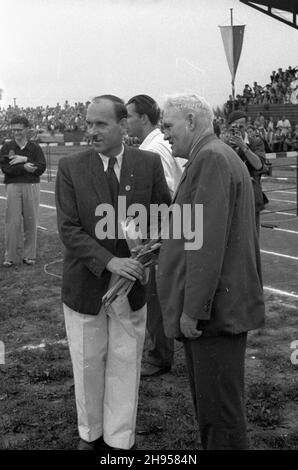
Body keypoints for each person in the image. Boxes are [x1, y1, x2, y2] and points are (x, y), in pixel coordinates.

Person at [55, 95, 171, 451]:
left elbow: (164, 219)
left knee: (125, 361)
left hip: (132, 286)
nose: (92, 131)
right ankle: (90, 434)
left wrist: (146, 256)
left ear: (123, 125)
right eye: (89, 123)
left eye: (101, 124)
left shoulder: (148, 163)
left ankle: (120, 440)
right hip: (86, 285)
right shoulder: (71, 166)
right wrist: (110, 262)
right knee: (88, 363)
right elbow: (69, 229)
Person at [156, 93, 265, 450]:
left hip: (214, 313)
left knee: (219, 416)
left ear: (191, 121)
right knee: (215, 409)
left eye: (168, 125)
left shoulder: (212, 159)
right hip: (218, 308)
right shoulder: (212, 155)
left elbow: (207, 243)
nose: (163, 132)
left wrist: (193, 310)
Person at [126, 94, 184, 377]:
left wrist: (154, 238)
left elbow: (168, 193)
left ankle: (160, 354)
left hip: (159, 229)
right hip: (160, 227)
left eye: (130, 117)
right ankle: (160, 350)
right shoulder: (154, 144)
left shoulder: (156, 149)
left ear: (144, 118)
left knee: (156, 294)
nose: (126, 122)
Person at [0, 116, 46, 266]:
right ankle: (10, 256)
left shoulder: (35, 148)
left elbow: (41, 167)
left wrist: (24, 159)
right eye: (13, 130)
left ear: (26, 129)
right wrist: (24, 167)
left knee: (31, 222)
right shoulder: (7, 147)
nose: (16, 133)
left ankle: (29, 255)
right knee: (12, 222)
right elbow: (6, 168)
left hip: (31, 186)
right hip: (13, 186)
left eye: (19, 130)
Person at [225, 110, 266, 234]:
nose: (239, 130)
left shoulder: (256, 143)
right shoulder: (225, 146)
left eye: (241, 127)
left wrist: (243, 146)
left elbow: (258, 165)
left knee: (252, 238)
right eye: (235, 127)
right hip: (232, 198)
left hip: (251, 197)